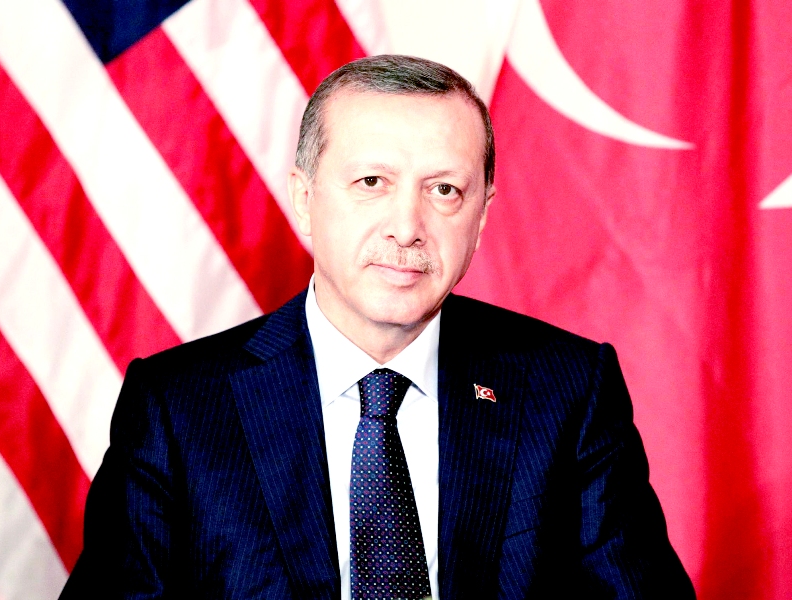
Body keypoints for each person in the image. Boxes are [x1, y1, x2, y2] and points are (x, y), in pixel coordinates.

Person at [61, 55, 695, 599]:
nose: (407, 227)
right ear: (304, 200)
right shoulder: (178, 408)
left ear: (480, 217)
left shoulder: (569, 390)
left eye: (444, 190)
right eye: (372, 182)